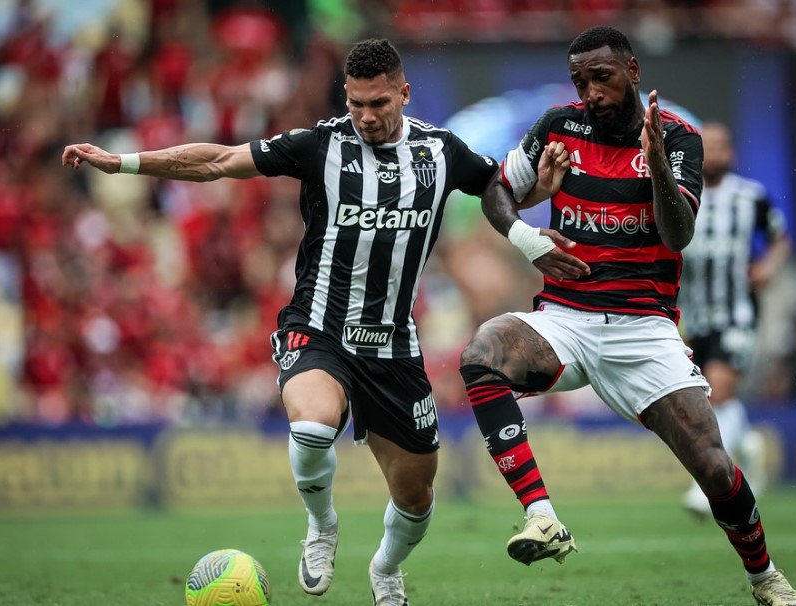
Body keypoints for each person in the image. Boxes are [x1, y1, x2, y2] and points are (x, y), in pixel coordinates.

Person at [63, 38, 567, 605]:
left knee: (417, 498)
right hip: (318, 326)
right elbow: (219, 160)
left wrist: (536, 191)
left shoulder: (441, 151)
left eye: (378, 103)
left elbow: (498, 188)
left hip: (394, 345)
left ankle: (385, 567)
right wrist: (124, 163)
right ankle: (322, 525)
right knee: (311, 425)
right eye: (356, 104)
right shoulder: (320, 144)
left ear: (403, 93)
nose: (367, 117)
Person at [458, 26, 796, 606]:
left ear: (633, 71)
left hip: (643, 328)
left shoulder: (678, 140)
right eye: (580, 80)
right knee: (483, 353)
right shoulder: (557, 127)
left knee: (715, 469)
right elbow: (497, 189)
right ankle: (542, 515)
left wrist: (658, 169)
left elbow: (679, 233)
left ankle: (765, 578)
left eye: (601, 77)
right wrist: (526, 237)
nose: (590, 92)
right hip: (565, 318)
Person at [677, 122, 791, 519]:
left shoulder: (751, 197)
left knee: (720, 389)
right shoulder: (682, 197)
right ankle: (747, 450)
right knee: (704, 400)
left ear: (732, 153)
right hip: (693, 316)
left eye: (723, 145)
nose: (716, 152)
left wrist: (769, 265)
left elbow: (780, 237)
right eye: (708, 146)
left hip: (737, 312)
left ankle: (703, 484)